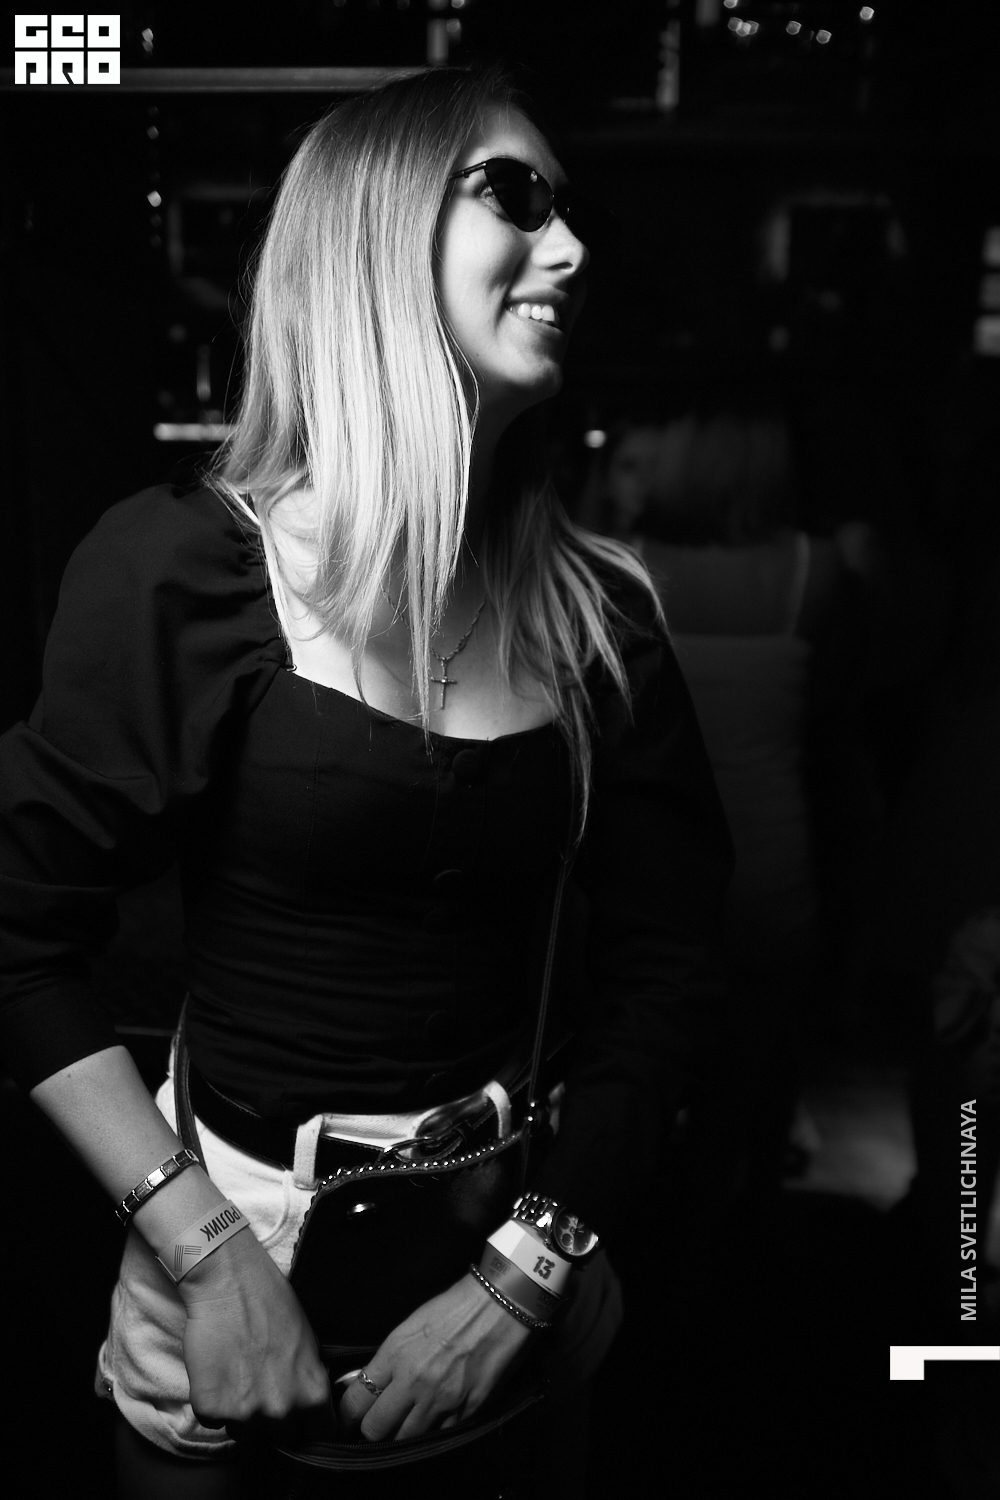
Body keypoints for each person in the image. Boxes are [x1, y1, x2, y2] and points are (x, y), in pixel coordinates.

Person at [0, 67, 731, 1497]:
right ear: (375, 231)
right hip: (225, 1268)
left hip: (510, 1253)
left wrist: (526, 1268)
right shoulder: (187, 571)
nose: (571, 247)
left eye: (567, 207)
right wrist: (209, 1253)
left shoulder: (600, 619)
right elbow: (20, 932)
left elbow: (673, 966)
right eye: (514, 195)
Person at [628, 391, 861, 1193]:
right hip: (772, 864)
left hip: (651, 871)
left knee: (642, 1093)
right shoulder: (815, 571)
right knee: (745, 1101)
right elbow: (833, 729)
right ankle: (738, 1240)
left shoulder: (626, 564)